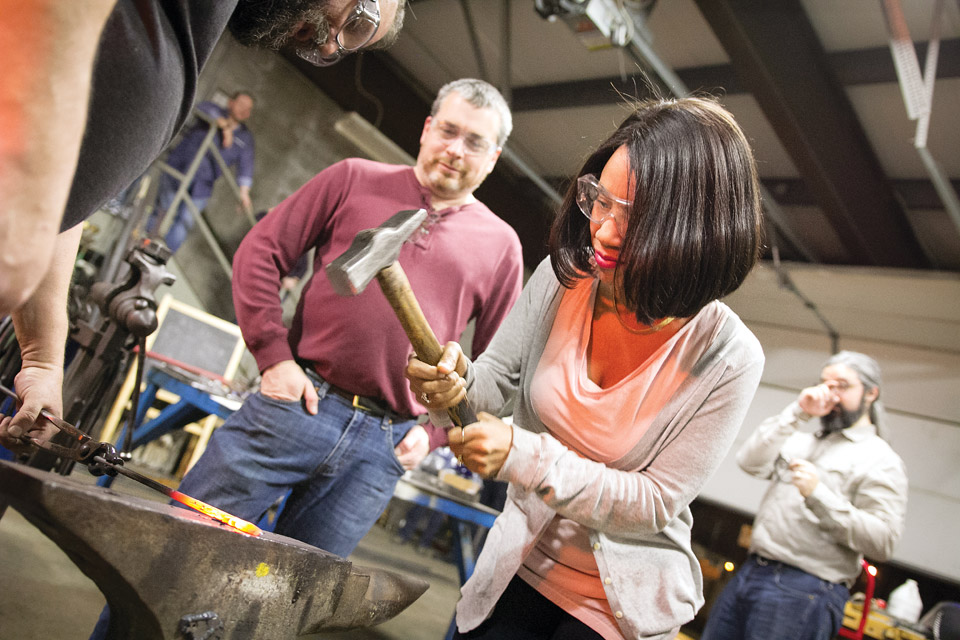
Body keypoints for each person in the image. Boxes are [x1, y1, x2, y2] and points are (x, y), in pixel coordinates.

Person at [405, 96, 766, 640]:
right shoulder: (564, 280)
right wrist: (449, 383)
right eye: (602, 200)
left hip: (614, 608)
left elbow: (652, 503)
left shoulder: (729, 357)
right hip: (516, 566)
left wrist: (526, 456)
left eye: (636, 217)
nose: (603, 231)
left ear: (701, 234)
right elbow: (488, 391)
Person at [0, 0, 405, 450]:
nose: (329, 41)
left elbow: (62, 203)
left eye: (347, 45)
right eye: (358, 18)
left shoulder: (178, 32)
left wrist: (42, 359)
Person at [175, 78, 524, 558]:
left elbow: (496, 371)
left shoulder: (502, 246)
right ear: (426, 129)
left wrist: (436, 435)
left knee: (290, 597)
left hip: (385, 446)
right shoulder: (353, 178)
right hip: (296, 404)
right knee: (179, 547)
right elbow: (261, 252)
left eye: (474, 142)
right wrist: (274, 357)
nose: (455, 149)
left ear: (494, 158)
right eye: (448, 130)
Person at [701, 350, 908, 640]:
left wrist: (817, 494)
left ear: (871, 393)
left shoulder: (881, 460)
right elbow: (749, 461)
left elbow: (883, 541)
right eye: (825, 384)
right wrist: (799, 411)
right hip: (752, 572)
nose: (830, 394)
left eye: (842, 386)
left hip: (806, 591)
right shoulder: (803, 441)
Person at [145, 92, 257, 253]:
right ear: (231, 103)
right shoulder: (213, 109)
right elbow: (201, 108)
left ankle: (162, 255)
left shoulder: (246, 138)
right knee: (163, 209)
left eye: (248, 108)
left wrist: (244, 193)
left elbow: (246, 166)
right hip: (178, 170)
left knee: (185, 222)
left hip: (203, 185)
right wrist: (224, 126)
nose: (244, 110)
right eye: (241, 105)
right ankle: (145, 245)